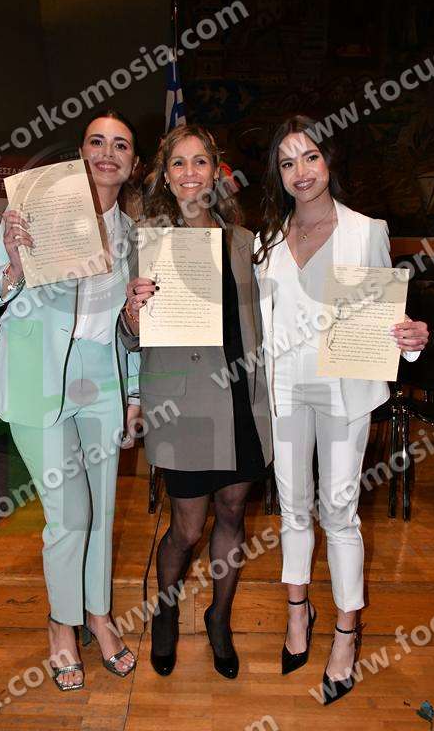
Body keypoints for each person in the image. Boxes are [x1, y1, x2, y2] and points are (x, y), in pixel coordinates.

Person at [253, 115, 428, 704]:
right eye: (287, 162)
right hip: (284, 390)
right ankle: (297, 610)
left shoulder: (366, 231)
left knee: (339, 511)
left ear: (329, 160)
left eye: (310, 157)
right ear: (278, 174)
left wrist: (410, 338)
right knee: (293, 507)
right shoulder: (265, 240)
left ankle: (348, 631)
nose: (300, 172)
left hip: (342, 390)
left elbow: (388, 318)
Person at [0, 109, 142, 692]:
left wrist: (134, 391)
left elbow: (131, 324)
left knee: (102, 511)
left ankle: (97, 614)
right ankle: (61, 623)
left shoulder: (133, 235)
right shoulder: (37, 210)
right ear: (81, 152)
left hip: (102, 383)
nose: (107, 152)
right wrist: (15, 261)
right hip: (37, 378)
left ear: (133, 164)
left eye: (120, 145)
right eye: (97, 141)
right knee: (70, 514)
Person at [120, 124, 272, 680]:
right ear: (165, 176)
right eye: (178, 163)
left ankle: (219, 619)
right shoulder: (145, 241)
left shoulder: (244, 241)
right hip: (182, 405)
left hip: (242, 400)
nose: (190, 173)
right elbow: (129, 336)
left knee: (232, 513)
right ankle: (165, 612)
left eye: (200, 161)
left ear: (216, 171)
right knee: (186, 529)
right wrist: (132, 314)